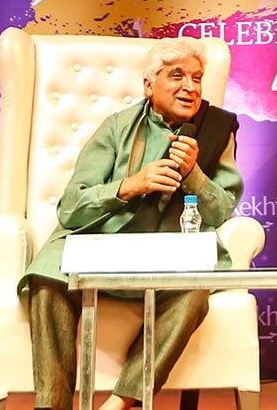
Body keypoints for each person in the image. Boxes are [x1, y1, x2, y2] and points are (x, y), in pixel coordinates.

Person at [17, 38, 243, 410]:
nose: (190, 87)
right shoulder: (116, 128)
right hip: (104, 244)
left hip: (170, 255)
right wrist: (130, 185)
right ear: (149, 85)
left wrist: (194, 174)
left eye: (197, 78)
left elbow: (222, 212)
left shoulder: (216, 130)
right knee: (47, 277)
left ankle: (121, 401)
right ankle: (53, 405)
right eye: (177, 76)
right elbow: (71, 207)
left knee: (194, 294)